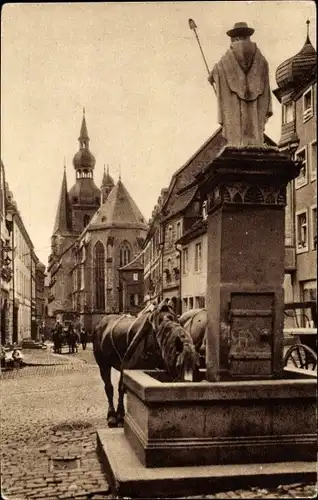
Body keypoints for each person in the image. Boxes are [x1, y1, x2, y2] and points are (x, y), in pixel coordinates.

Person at [208, 22, 272, 147]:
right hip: (256, 101)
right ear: (248, 35)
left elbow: (218, 70)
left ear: (235, 37)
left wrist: (213, 76)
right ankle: (255, 141)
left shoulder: (228, 56)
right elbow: (264, 72)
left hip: (235, 103)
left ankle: (238, 142)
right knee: (254, 117)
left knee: (236, 118)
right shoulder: (260, 57)